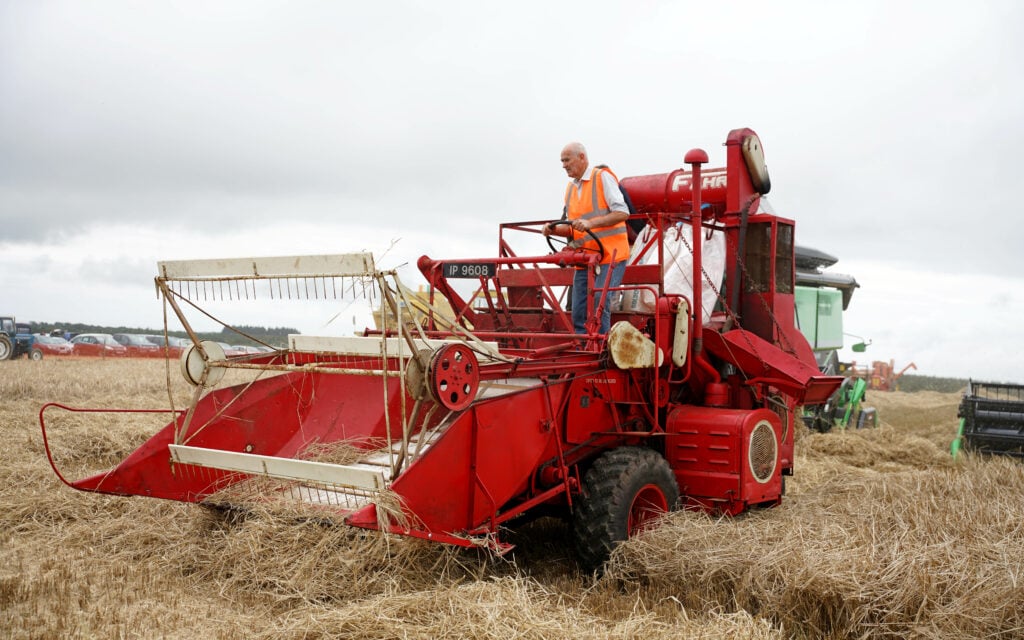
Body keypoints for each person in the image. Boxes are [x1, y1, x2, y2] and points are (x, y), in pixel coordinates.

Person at [543, 142, 630, 334]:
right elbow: (574, 229)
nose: (564, 165)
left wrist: (591, 224)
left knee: (600, 301)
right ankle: (583, 346)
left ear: (582, 157)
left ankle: (602, 347)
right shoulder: (570, 189)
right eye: (562, 161)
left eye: (567, 160)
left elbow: (623, 212)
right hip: (584, 257)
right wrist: (553, 230)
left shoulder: (602, 178)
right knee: (578, 307)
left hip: (610, 256)